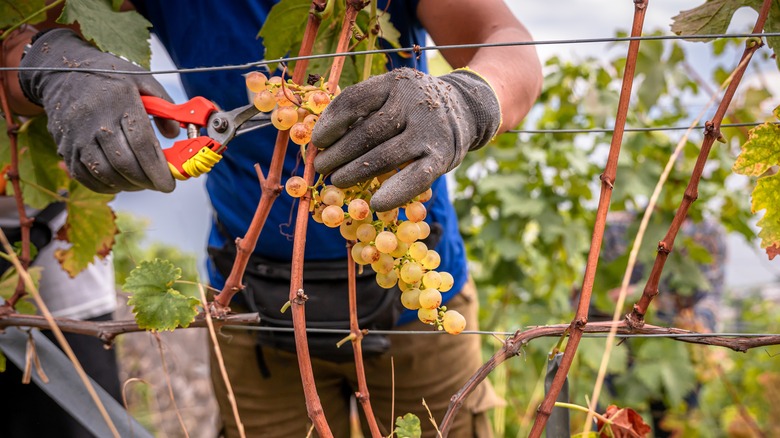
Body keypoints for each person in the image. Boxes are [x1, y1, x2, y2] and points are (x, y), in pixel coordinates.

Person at [5, 1, 542, 436]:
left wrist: (468, 100)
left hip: (418, 314)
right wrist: (48, 63)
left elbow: (504, 38)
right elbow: (18, 45)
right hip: (249, 313)